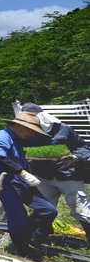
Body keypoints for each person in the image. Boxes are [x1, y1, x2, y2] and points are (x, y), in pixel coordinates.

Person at [0, 110, 58, 259]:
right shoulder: (1, 136)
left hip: (18, 175)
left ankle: (25, 233)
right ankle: (22, 248)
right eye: (31, 131)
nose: (32, 134)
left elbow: (42, 142)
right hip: (2, 176)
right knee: (17, 214)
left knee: (48, 210)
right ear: (20, 126)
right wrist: (23, 173)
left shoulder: (19, 138)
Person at [20, 103, 90, 246]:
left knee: (81, 208)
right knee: (45, 208)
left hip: (68, 176)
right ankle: (41, 237)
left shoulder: (63, 129)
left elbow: (83, 146)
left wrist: (75, 157)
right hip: (42, 177)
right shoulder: (25, 131)